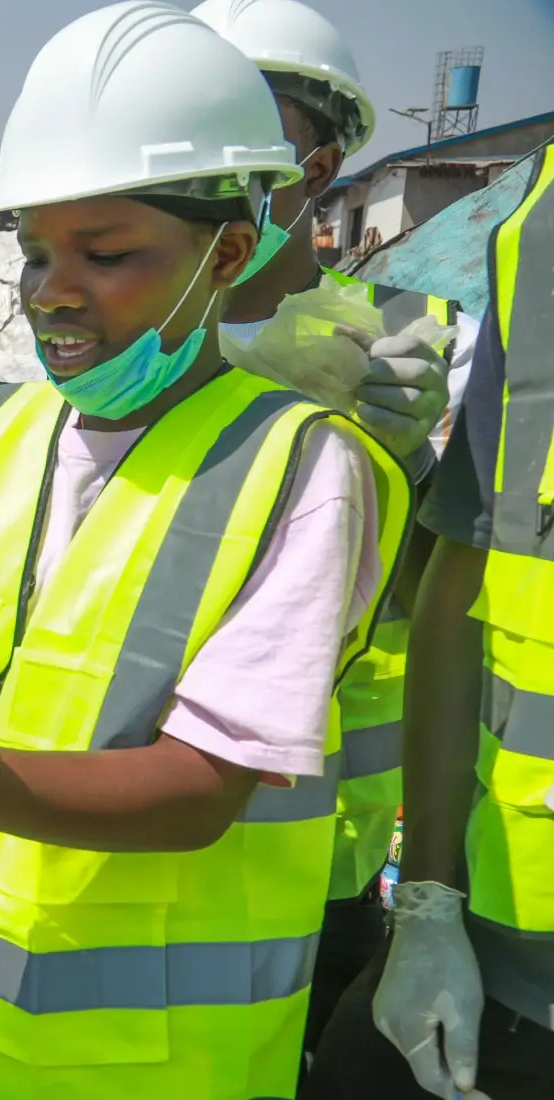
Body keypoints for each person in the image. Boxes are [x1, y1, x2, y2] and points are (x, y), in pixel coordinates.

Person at [0, 5, 411, 1097]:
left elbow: (200, 788)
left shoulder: (304, 469)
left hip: (121, 1066)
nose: (51, 289)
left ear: (227, 249)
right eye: (36, 250)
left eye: (108, 251)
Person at [190, 0, 458, 1060]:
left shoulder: (407, 336)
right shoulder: (128, 329)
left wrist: (415, 468)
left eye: (258, 135)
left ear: (321, 160)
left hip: (324, 837)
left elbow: (450, 598)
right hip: (130, 798)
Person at [301, 148, 554, 1100]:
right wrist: (434, 904)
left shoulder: (407, 329)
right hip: (503, 923)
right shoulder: (540, 228)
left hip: (339, 861)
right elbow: (466, 564)